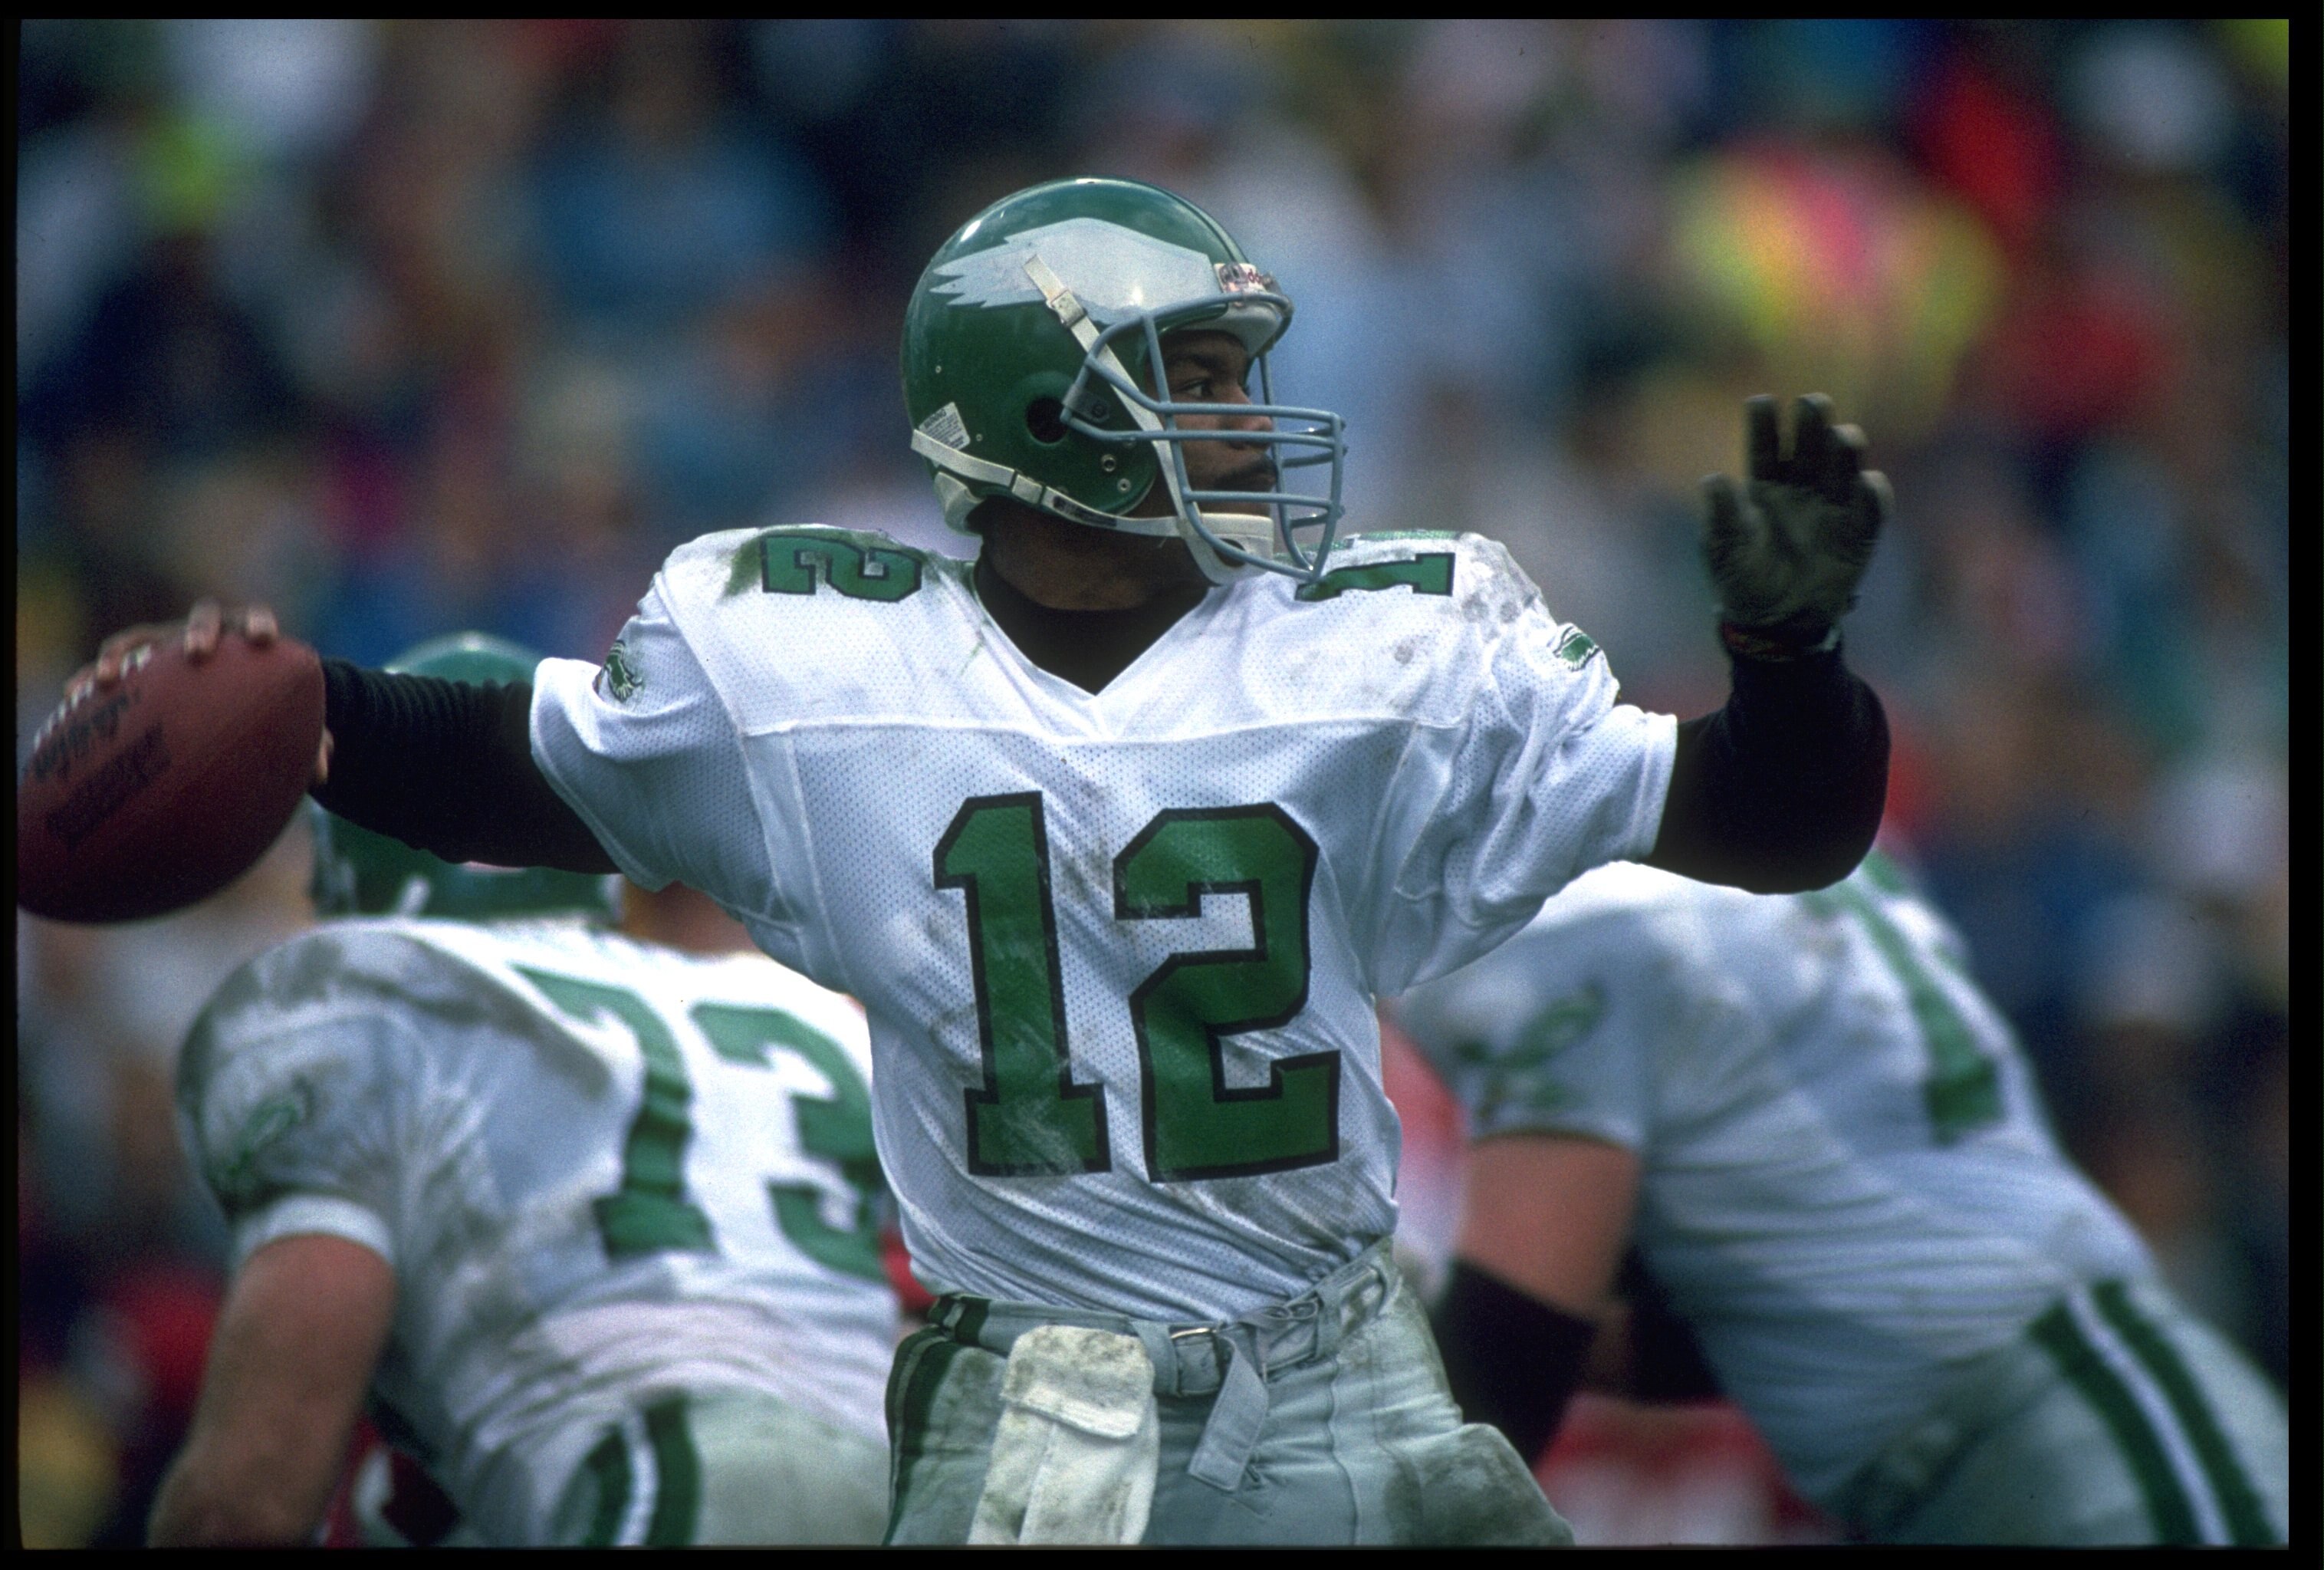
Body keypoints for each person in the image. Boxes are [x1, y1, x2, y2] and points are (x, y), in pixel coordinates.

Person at [83, 176, 1892, 1545]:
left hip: (1341, 1359)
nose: (1248, 416)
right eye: (1195, 375)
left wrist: (1789, 662)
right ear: (1039, 412)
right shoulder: (814, 671)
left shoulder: (1379, 649)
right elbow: (513, 766)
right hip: (1041, 1392)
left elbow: (1772, 823)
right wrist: (294, 704)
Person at [146, 635, 898, 1548]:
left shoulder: (352, 994)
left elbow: (247, 1500)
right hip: (906, 1493)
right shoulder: (801, 1010)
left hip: (667, 1476)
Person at [1394, 852, 2290, 1546]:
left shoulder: (1574, 918)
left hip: (2071, 1454)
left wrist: (1367, 1347)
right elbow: (1783, 1307)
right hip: (2031, 1431)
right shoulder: (1734, 854)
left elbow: (1506, 1363)